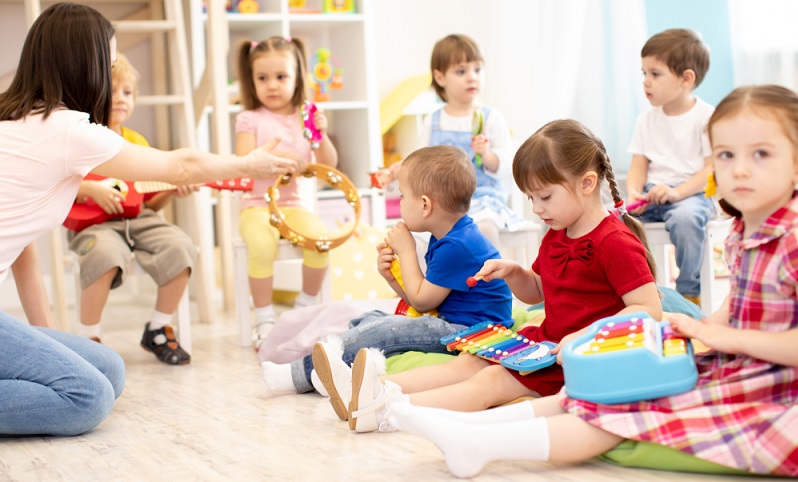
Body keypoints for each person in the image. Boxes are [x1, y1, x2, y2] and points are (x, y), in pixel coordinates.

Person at [389, 85, 798, 479]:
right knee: (495, 371)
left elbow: (650, 308)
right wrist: (515, 272)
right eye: (725, 154)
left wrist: (721, 337)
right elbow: (738, 307)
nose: (739, 168)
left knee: (596, 405)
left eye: (761, 153)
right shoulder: (743, 233)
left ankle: (439, 425)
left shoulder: (787, 241)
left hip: (756, 378)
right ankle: (457, 428)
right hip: (565, 344)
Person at [0, 2, 297, 436]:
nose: (112, 70)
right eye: (111, 60)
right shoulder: (67, 130)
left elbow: (20, 243)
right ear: (88, 64)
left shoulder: (16, 119)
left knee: (108, 369)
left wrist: (45, 340)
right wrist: (246, 164)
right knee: (88, 398)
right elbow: (181, 166)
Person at [317, 119, 662, 434]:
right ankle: (370, 388)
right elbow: (537, 291)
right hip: (547, 342)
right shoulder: (558, 232)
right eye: (530, 197)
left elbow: (649, 310)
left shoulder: (614, 241)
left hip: (584, 354)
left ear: (587, 184)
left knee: (489, 383)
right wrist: (514, 273)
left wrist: (584, 337)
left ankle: (383, 412)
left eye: (544, 197)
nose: (536, 208)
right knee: (470, 363)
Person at [261, 145, 513, 426]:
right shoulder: (449, 235)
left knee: (385, 329)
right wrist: (392, 278)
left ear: (426, 205)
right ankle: (338, 370)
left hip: (474, 333)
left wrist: (406, 252)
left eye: (403, 196)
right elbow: (428, 299)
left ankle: (300, 374)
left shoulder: (458, 245)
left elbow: (423, 303)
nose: (400, 203)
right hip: (454, 321)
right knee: (370, 319)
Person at [66, 53, 199, 365]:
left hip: (140, 219)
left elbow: (146, 200)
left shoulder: (137, 142)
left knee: (181, 246)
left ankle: (158, 328)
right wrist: (92, 189)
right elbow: (58, 183)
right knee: (105, 255)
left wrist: (171, 191)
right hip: (95, 227)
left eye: (128, 93)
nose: (121, 99)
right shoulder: (80, 137)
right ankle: (89, 338)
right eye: (113, 91)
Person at [235, 36, 338, 349]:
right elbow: (244, 165)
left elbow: (328, 167)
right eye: (262, 78)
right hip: (256, 207)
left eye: (281, 77)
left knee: (320, 241)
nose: (272, 85)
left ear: (297, 79)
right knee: (262, 245)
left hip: (292, 206)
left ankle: (304, 309)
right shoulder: (249, 118)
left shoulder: (305, 117)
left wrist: (319, 136)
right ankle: (264, 318)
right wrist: (285, 163)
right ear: (251, 81)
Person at [377, 34, 518, 248]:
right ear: (441, 78)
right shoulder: (433, 122)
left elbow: (509, 164)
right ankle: (436, 280)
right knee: (419, 236)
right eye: (461, 71)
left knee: (485, 229)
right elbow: (421, 163)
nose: (472, 77)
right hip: (443, 204)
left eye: (477, 69)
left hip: (483, 199)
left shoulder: (491, 118)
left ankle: (488, 279)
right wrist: (400, 169)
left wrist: (487, 156)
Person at [625, 28, 716, 306]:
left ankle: (689, 291)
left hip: (693, 194)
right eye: (644, 74)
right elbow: (638, 165)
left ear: (686, 79)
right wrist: (633, 193)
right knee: (617, 223)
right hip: (653, 194)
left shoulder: (706, 117)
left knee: (686, 220)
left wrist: (678, 193)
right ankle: (638, 288)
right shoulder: (646, 120)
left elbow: (711, 171)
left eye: (655, 74)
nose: (646, 82)